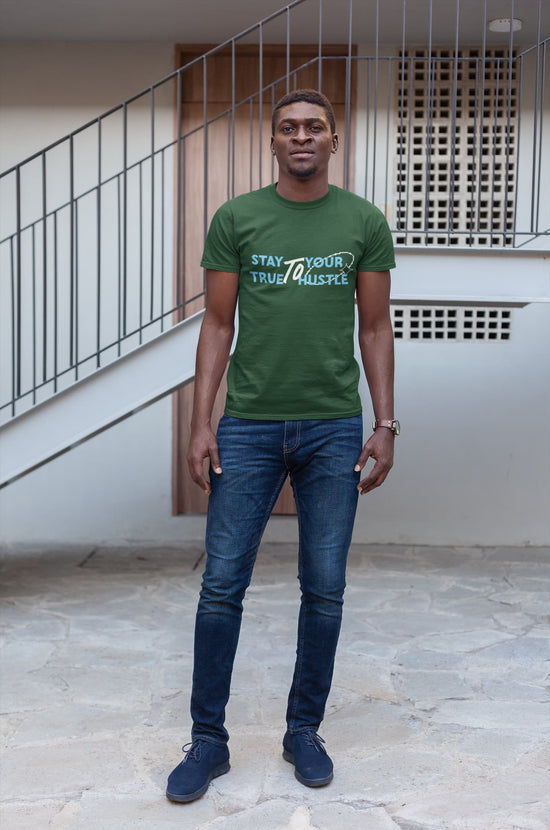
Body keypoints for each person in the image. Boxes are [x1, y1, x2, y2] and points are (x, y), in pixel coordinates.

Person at [166, 88, 398, 803]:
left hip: (332, 426)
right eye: (289, 128)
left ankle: (304, 730)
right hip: (250, 425)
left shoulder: (363, 221)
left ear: (333, 141)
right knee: (221, 586)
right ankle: (209, 741)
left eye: (314, 127)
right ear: (273, 142)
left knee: (323, 588)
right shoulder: (239, 217)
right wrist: (202, 421)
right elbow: (215, 326)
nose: (302, 137)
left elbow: (375, 328)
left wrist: (384, 423)